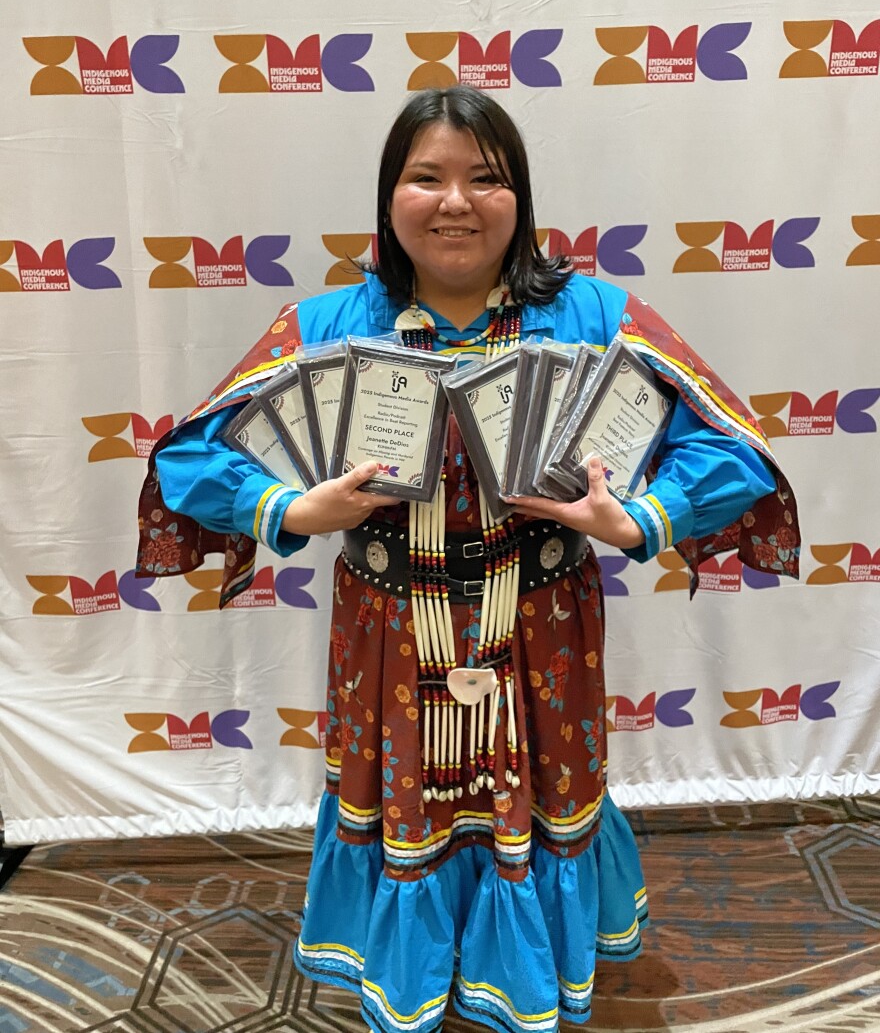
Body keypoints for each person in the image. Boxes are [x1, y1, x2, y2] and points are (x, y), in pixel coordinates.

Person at [137, 86, 799, 1033]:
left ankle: (523, 976)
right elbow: (188, 459)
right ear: (389, 197)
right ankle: (416, 974)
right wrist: (294, 508)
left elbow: (731, 447)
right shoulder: (328, 324)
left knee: (544, 792)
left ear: (520, 196)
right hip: (389, 631)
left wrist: (637, 520)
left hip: (543, 624)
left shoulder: (591, 314)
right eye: (427, 178)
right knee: (406, 798)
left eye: (485, 178)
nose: (455, 202)